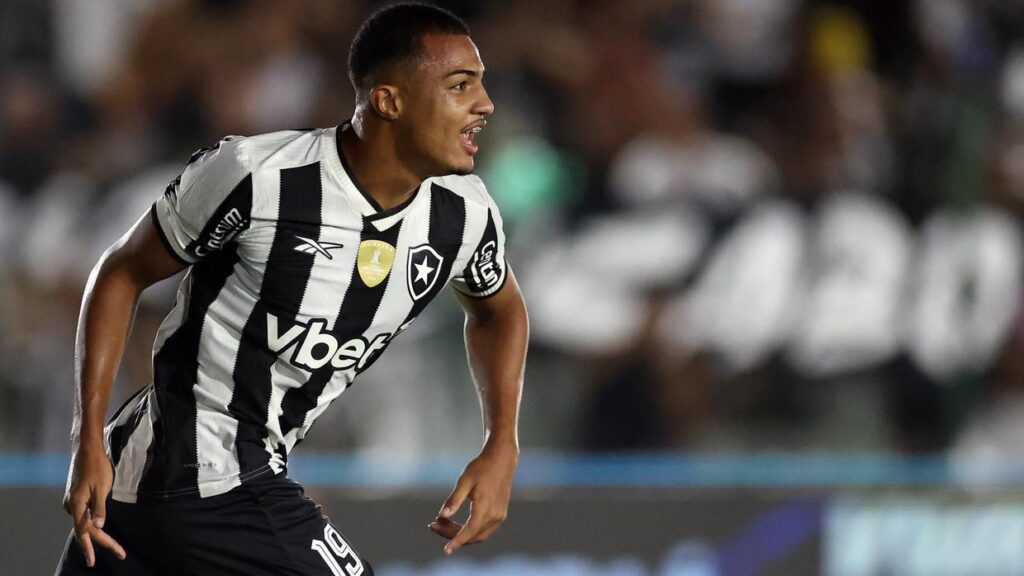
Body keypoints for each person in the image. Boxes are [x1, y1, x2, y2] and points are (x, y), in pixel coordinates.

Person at [57, 3, 528, 574]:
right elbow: (122, 272)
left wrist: (501, 443)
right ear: (389, 101)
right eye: (460, 85)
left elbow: (500, 310)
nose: (485, 104)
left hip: (153, 479)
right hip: (203, 473)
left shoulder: (464, 217)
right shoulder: (258, 177)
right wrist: (85, 438)